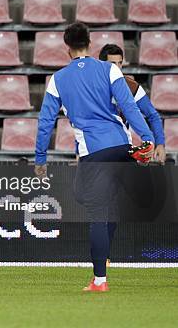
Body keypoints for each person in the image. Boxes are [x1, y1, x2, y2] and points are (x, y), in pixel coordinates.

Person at [35, 22, 154, 292]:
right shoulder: (110, 69)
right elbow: (128, 107)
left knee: (94, 211)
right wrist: (146, 138)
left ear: (67, 49)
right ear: (89, 43)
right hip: (121, 146)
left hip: (94, 151)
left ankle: (99, 280)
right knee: (100, 200)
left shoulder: (58, 79)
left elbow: (45, 123)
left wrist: (40, 159)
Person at [98, 44, 166, 163]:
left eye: (120, 63)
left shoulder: (132, 87)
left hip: (122, 150)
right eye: (113, 64)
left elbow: (153, 115)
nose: (117, 68)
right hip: (97, 149)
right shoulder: (91, 88)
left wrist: (160, 144)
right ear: (101, 64)